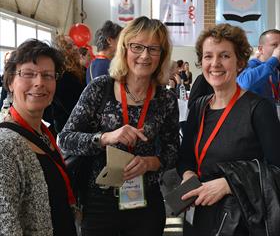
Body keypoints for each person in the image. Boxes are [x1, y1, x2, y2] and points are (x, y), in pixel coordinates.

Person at [58, 16, 180, 236]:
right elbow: (65, 139)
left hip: (146, 201)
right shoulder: (100, 88)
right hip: (100, 202)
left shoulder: (166, 99)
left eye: (153, 49)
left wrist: (151, 162)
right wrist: (105, 137)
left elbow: (173, 148)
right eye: (137, 47)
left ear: (162, 55)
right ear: (124, 49)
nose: (145, 55)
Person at [177, 23, 280, 236]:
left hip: (239, 220)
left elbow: (276, 169)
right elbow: (186, 157)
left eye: (224, 56)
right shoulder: (198, 107)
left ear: (240, 62)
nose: (215, 64)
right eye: (208, 56)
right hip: (198, 212)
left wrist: (229, 183)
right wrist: (187, 174)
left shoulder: (259, 109)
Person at [0, 39, 77, 236]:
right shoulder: (5, 146)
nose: (39, 82)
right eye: (28, 74)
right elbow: (6, 225)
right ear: (10, 81)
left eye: (47, 75)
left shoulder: (43, 132)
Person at [44, 35, 86, 134]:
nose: (76, 48)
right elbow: (75, 109)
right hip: (69, 130)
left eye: (74, 44)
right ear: (61, 53)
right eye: (69, 47)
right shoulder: (62, 77)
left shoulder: (80, 70)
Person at [237, 29, 280, 104]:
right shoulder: (251, 65)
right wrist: (274, 59)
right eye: (275, 45)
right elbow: (244, 85)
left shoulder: (276, 67)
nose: (279, 49)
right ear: (260, 49)